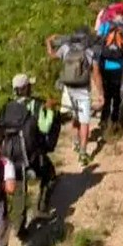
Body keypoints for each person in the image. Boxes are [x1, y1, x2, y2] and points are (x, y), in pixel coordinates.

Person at [0, 73, 59, 236]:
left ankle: (19, 226)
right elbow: (44, 127)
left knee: (18, 190)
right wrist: (49, 110)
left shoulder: (6, 108)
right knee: (50, 174)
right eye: (30, 85)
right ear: (26, 88)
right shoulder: (35, 105)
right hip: (30, 154)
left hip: (9, 155)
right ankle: (42, 208)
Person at [46, 28, 103, 164]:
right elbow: (95, 74)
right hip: (83, 90)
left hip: (69, 88)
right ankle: (83, 153)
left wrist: (48, 41)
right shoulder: (90, 52)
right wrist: (101, 93)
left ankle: (76, 143)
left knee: (75, 115)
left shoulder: (66, 48)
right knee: (85, 121)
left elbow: (51, 55)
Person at [96, 16, 123, 133]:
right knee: (117, 94)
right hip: (119, 66)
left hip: (105, 65)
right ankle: (115, 123)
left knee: (107, 93)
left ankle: (104, 120)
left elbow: (98, 42)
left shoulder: (105, 25)